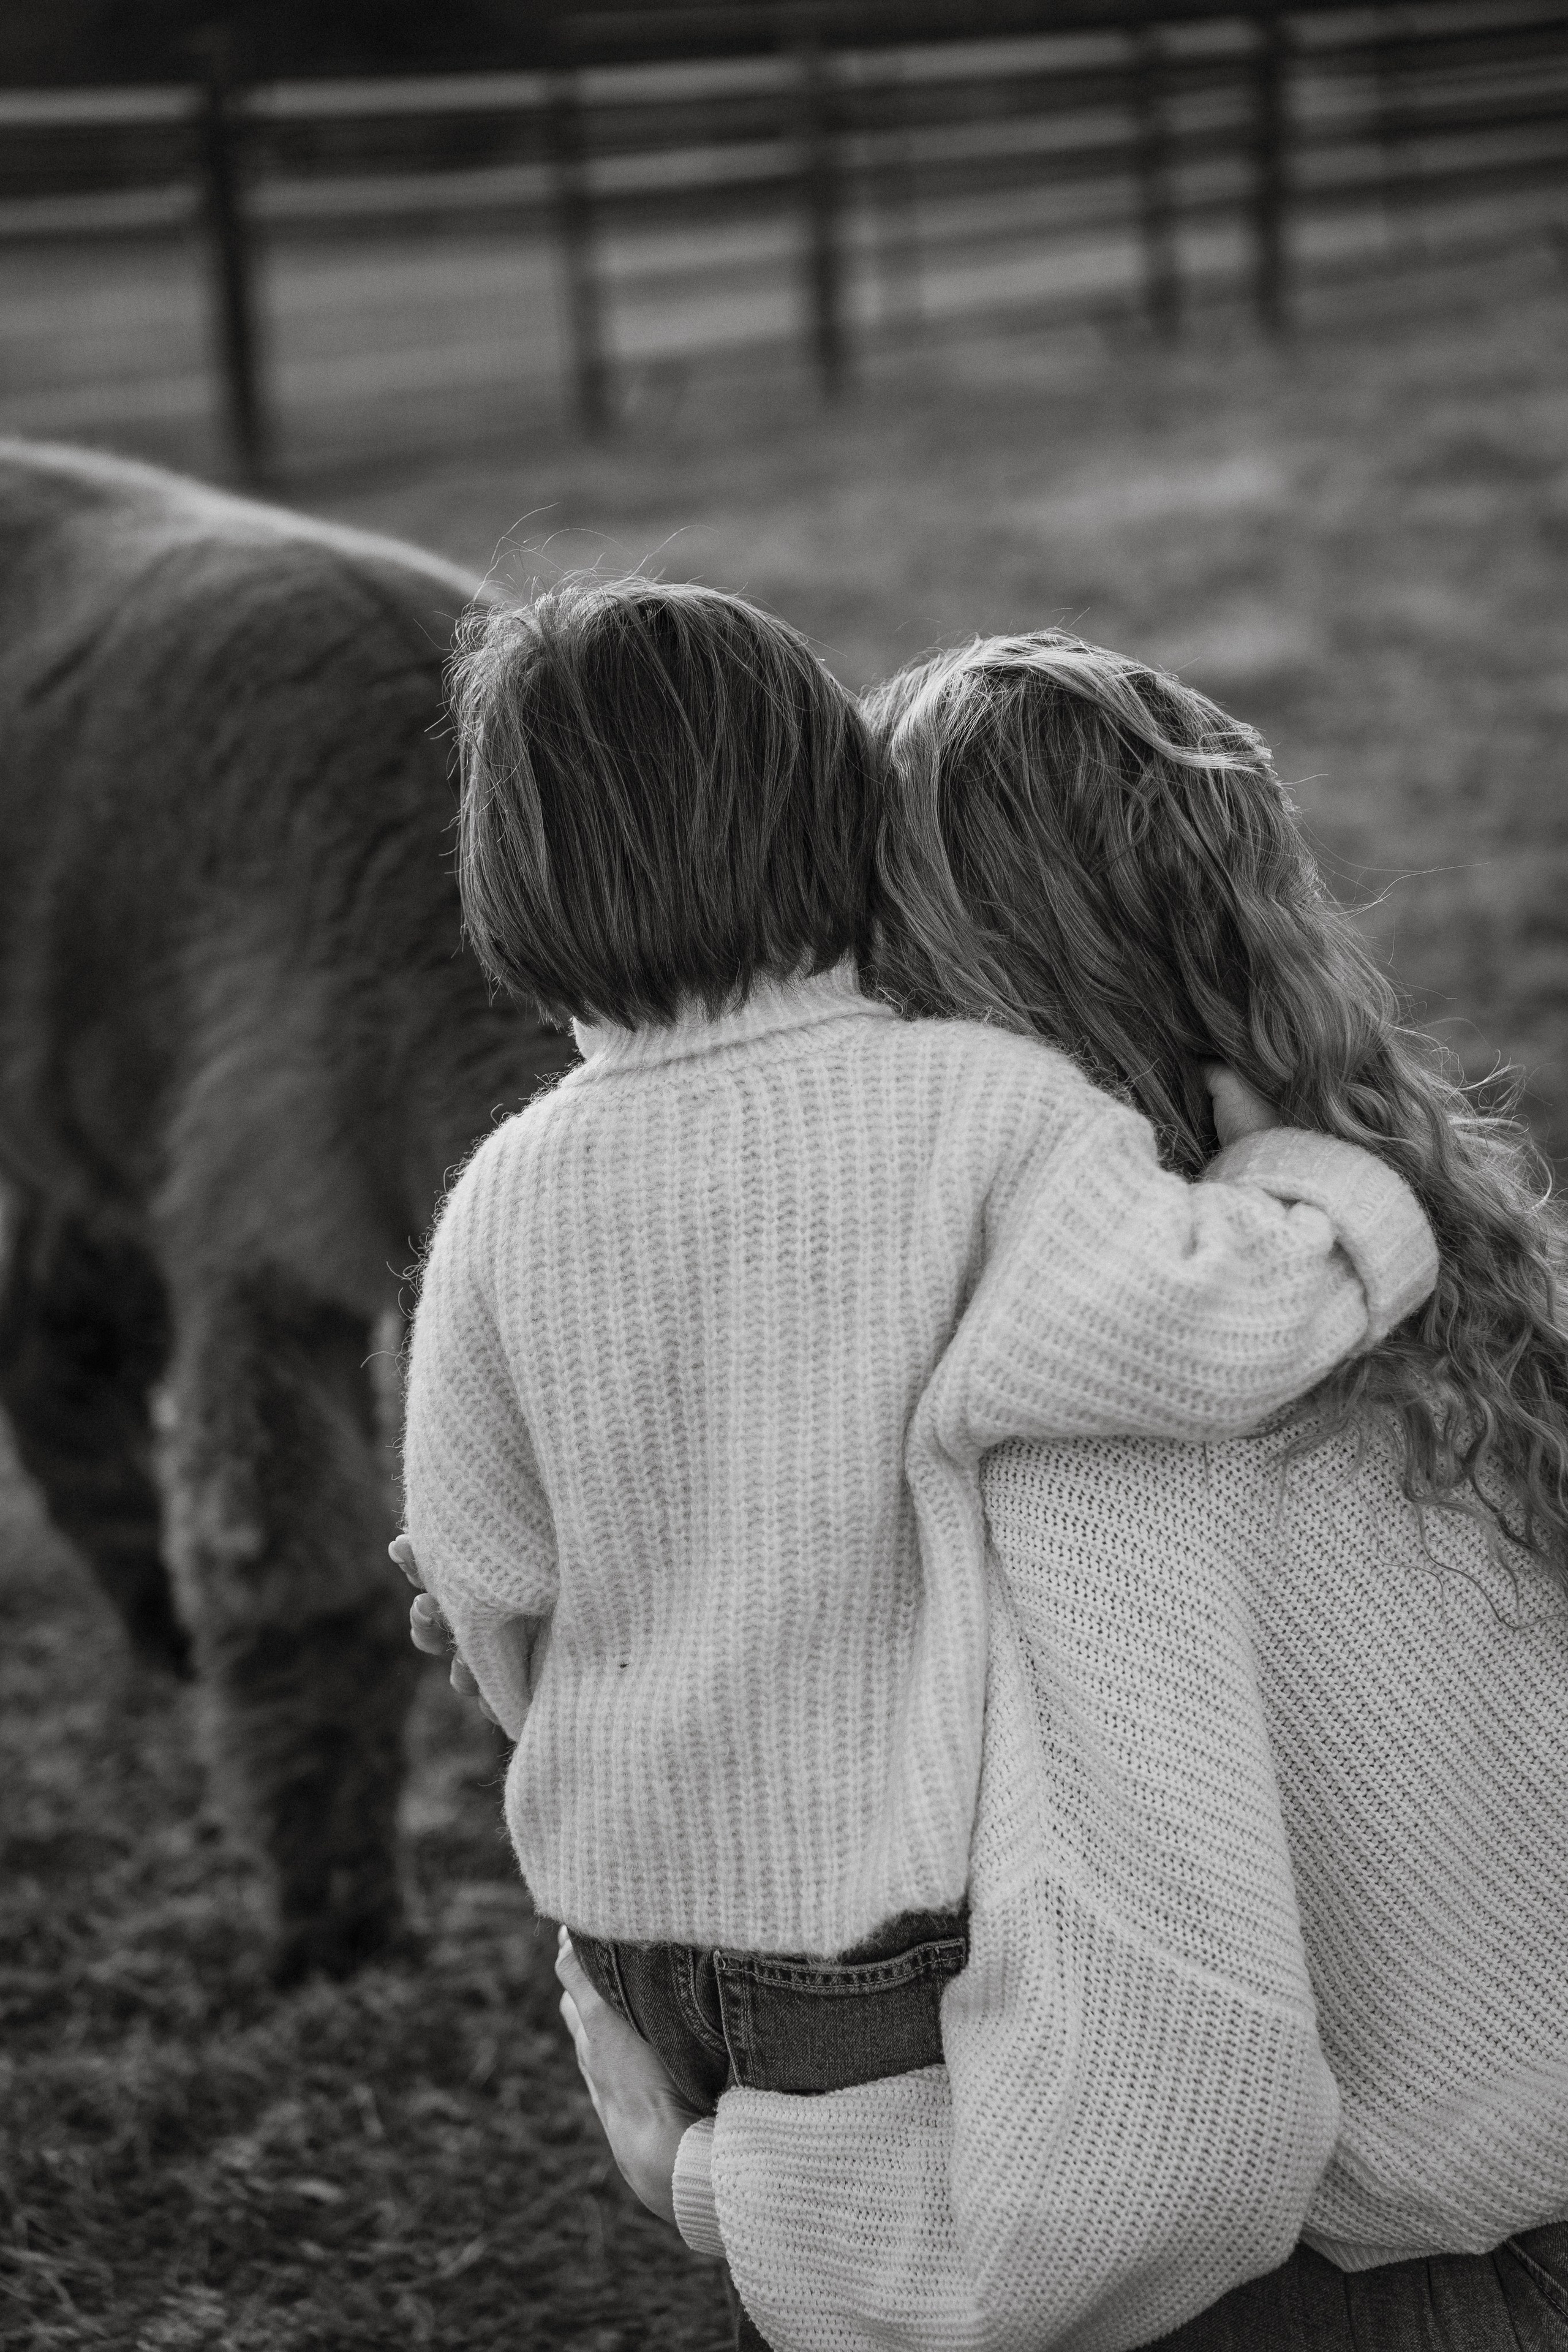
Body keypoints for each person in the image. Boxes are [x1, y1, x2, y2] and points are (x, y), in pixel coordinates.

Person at [398, 582, 1437, 2348]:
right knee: (960, 2272)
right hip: (893, 1930)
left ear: (510, 882)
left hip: (650, 1935)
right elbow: (1207, 1325)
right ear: (839, 811)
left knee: (792, 2270)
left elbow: (486, 1578)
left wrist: (604, 1726)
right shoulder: (985, 1110)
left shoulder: (502, 1195)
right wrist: (1332, 1199)